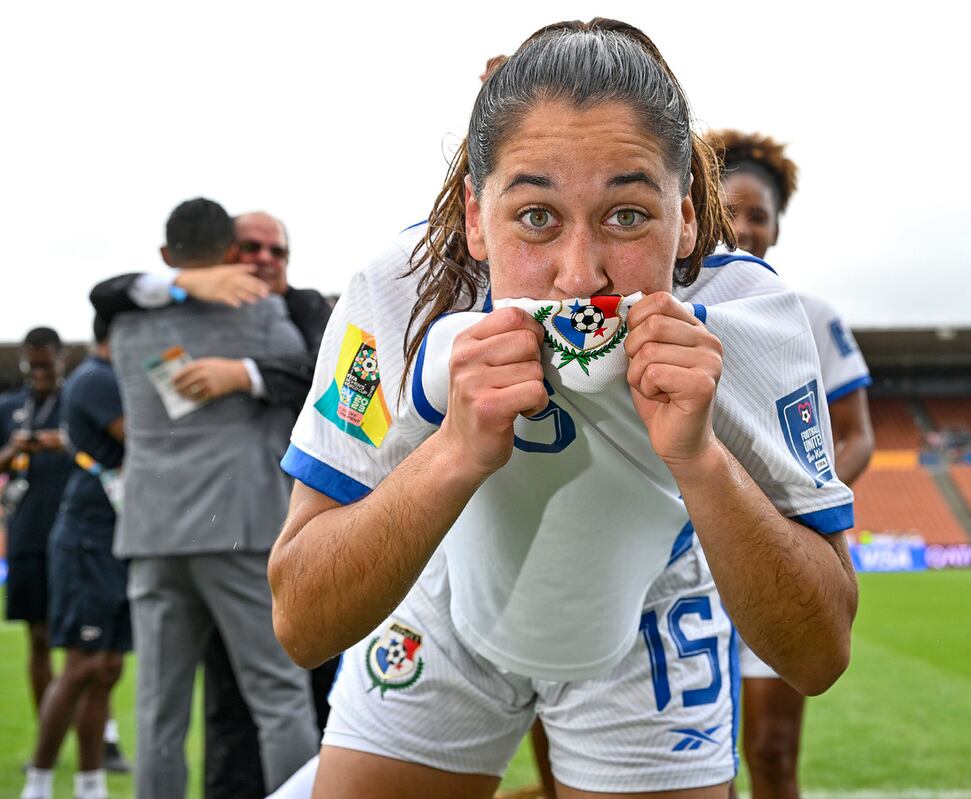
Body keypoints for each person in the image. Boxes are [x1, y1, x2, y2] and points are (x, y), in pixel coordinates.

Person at [269, 18, 858, 799]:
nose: (578, 278)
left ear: (685, 217)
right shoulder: (401, 293)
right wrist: (451, 454)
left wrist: (701, 460)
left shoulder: (751, 317)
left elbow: (819, 655)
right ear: (477, 219)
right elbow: (302, 622)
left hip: (651, 609)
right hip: (440, 602)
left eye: (627, 215)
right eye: (536, 216)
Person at [90, 209, 335, 798]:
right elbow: (318, 372)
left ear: (169, 254)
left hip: (151, 531)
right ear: (227, 251)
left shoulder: (125, 326)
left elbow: (107, 295)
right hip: (241, 527)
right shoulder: (266, 316)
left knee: (157, 713)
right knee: (279, 698)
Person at [700, 129, 875, 799]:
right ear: (702, 209)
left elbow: (855, 436)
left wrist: (794, 501)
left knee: (770, 752)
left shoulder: (809, 316)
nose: (744, 227)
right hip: (684, 558)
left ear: (777, 225)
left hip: (777, 551)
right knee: (688, 756)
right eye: (732, 210)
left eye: (759, 214)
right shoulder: (670, 304)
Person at [21, 315, 130, 799]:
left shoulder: (117, 375)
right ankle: (38, 783)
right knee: (81, 665)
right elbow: (145, 439)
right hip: (87, 533)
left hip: (118, 533)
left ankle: (90, 786)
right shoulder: (95, 378)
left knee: (107, 668)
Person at [0, 329, 74, 761]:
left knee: (90, 645)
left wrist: (64, 444)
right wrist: (13, 449)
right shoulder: (11, 407)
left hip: (77, 532)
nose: (40, 373)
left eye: (47, 364)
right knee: (39, 638)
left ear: (62, 359)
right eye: (33, 365)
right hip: (28, 533)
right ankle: (52, 736)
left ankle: (101, 731)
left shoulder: (77, 400)